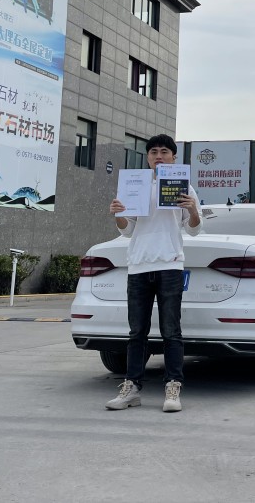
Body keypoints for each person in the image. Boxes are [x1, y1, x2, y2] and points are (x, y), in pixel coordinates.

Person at [105, 134, 201, 413]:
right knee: (137, 332)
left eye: (164, 152)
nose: (159, 156)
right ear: (147, 157)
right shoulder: (135, 185)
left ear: (173, 157)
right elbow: (128, 230)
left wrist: (192, 209)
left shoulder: (184, 187)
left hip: (170, 264)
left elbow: (194, 228)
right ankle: (132, 388)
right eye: (153, 152)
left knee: (171, 331)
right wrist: (118, 214)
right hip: (139, 265)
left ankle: (173, 386)